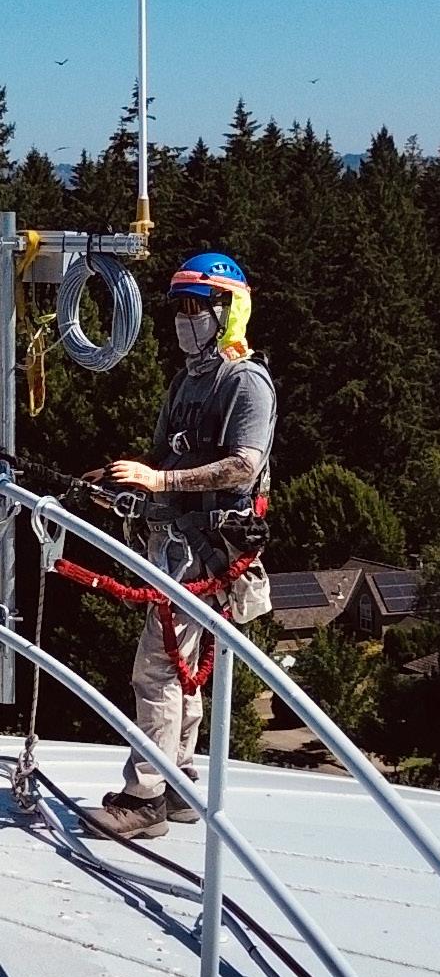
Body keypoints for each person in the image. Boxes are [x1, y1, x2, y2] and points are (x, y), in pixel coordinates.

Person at [83, 252, 276, 842]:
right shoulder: (187, 381)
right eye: (181, 308)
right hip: (177, 545)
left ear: (228, 310)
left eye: (198, 307)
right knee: (181, 669)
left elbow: (244, 466)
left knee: (157, 670)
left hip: (210, 551)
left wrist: (160, 481)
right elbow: (166, 460)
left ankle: (145, 796)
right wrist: (124, 485)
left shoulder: (245, 382)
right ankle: (180, 783)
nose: (186, 319)